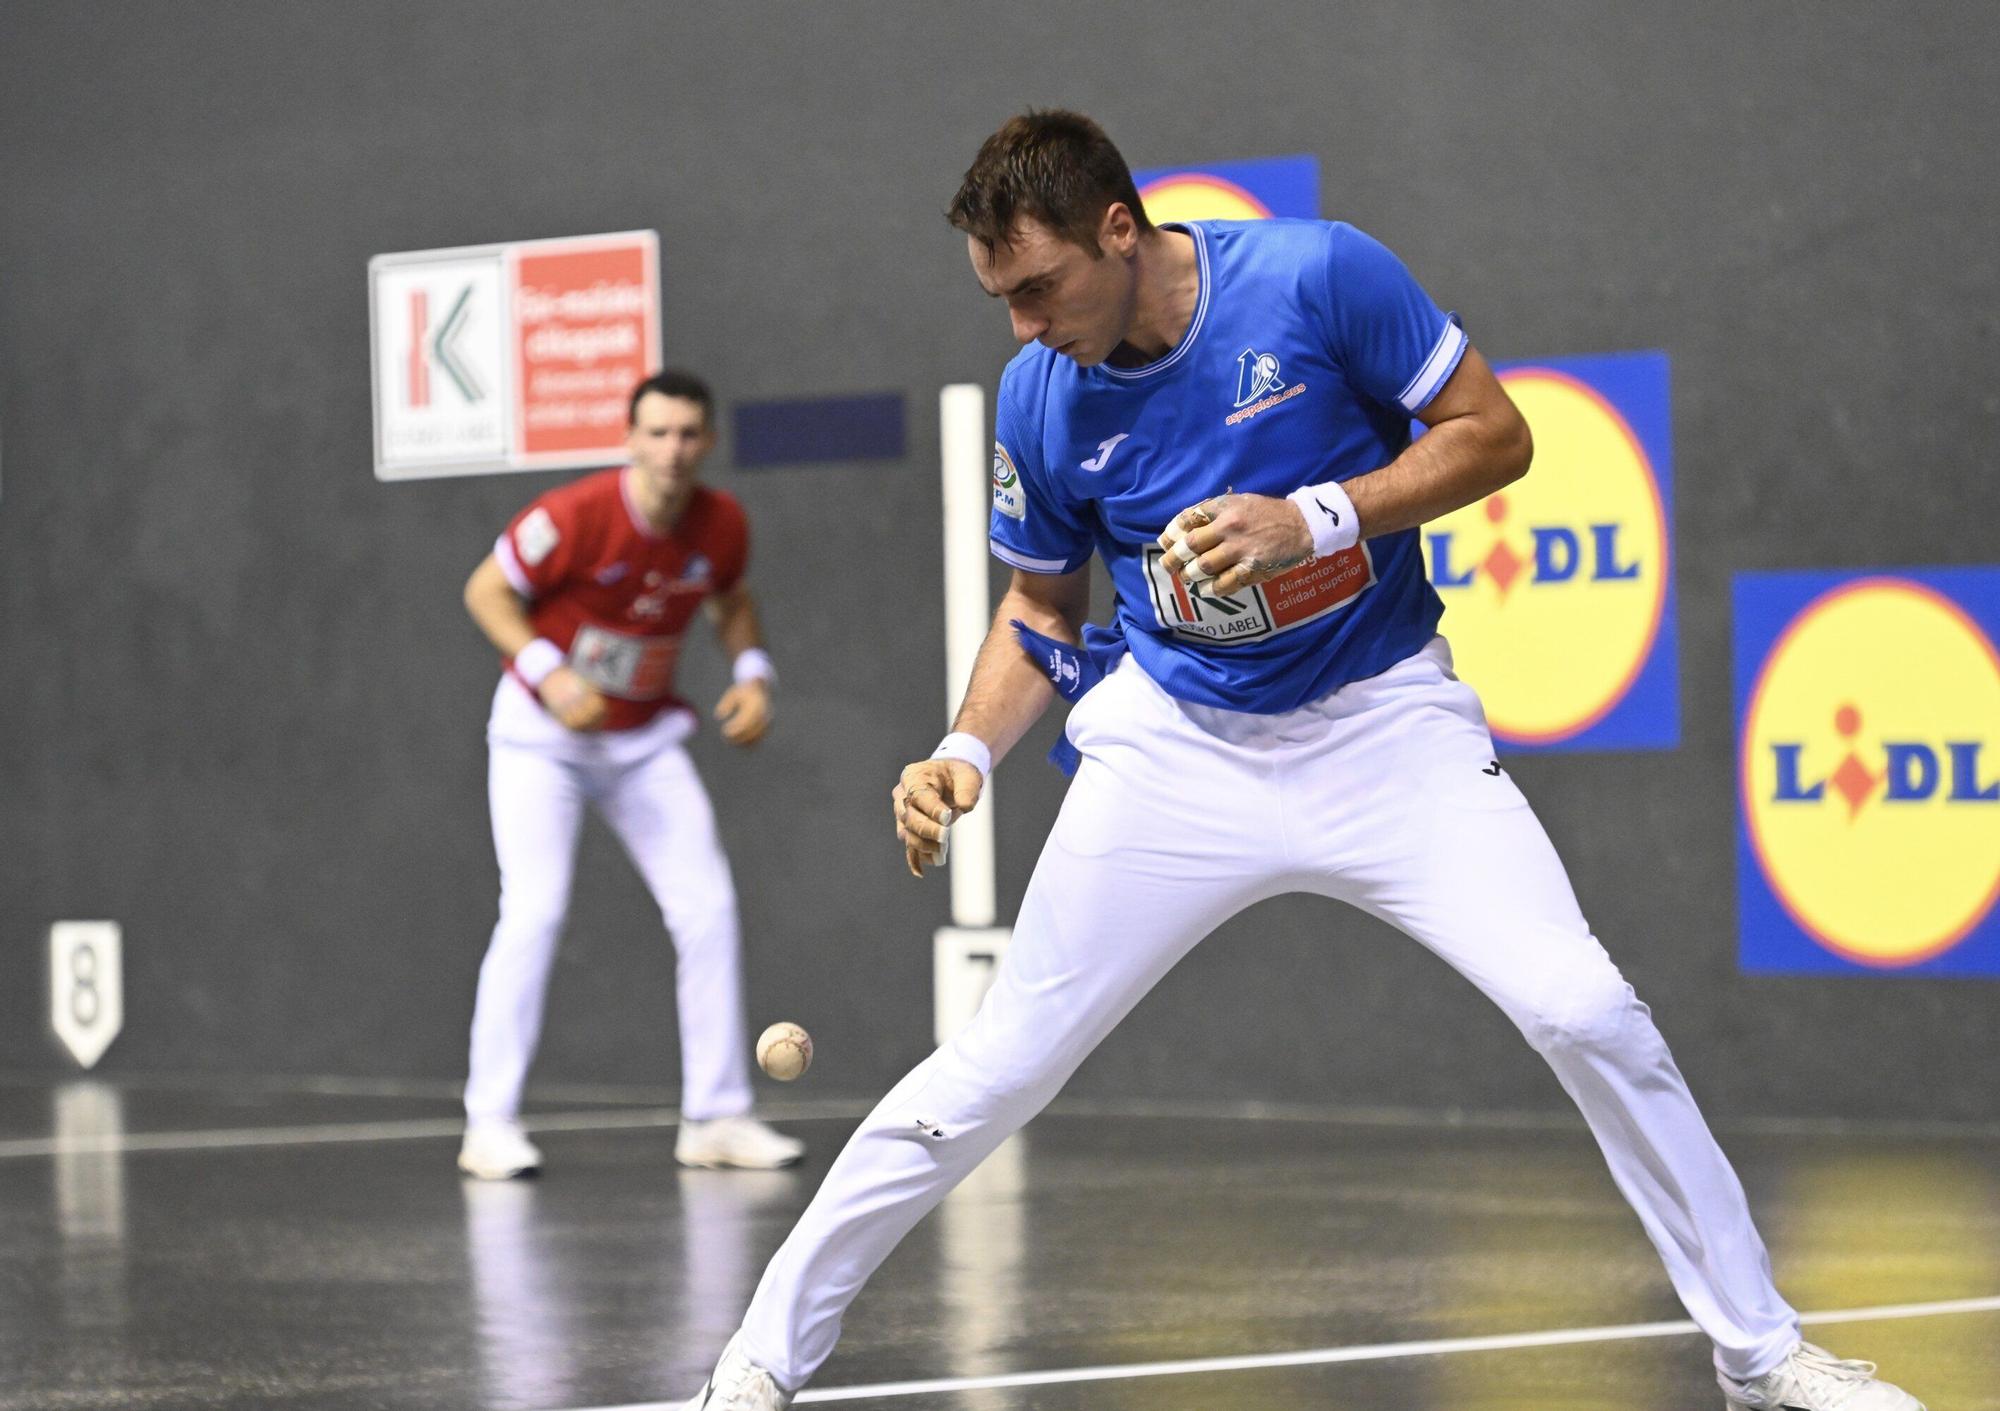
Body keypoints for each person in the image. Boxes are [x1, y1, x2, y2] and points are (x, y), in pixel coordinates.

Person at [679, 113, 1921, 1409]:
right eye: (999, 300)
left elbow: (1495, 432)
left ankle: (1764, 1354)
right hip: (1174, 745)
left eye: (1038, 289)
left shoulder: (1320, 275)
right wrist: (960, 749)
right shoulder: (1040, 395)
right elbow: (1042, 607)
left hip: (1385, 724)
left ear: (1121, 227)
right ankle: (759, 1360)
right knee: (996, 1064)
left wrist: (1320, 513)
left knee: (1584, 1006)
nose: (1023, 325)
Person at [458, 370, 803, 1180]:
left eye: (688, 435)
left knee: (708, 907)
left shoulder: (721, 525)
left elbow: (730, 599)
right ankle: (489, 1123)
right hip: (541, 740)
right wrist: (549, 671)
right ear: (629, 438)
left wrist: (753, 674)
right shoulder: (573, 516)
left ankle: (716, 1117)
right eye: (657, 433)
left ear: (707, 443)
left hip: (642, 742)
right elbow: (486, 591)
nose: (673, 450)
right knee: (535, 910)